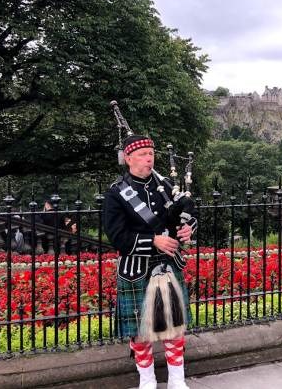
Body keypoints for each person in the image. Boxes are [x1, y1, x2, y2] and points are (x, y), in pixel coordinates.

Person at [103, 135, 196, 389]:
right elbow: (117, 237)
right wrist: (153, 240)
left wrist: (188, 228)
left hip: (168, 263)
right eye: (143, 154)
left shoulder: (164, 186)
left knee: (174, 325)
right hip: (136, 268)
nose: (149, 158)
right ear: (128, 159)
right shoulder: (116, 193)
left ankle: (177, 380)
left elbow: (185, 215)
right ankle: (147, 380)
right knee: (139, 330)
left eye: (151, 153)